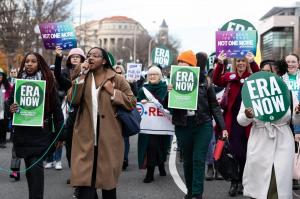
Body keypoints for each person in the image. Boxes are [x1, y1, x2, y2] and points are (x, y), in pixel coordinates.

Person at [67, 47, 136, 199]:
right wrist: (80, 77)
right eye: (89, 55)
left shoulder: (116, 78)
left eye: (95, 55)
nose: (91, 58)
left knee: (108, 187)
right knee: (85, 188)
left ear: (104, 61)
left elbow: (132, 102)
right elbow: (72, 100)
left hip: (108, 139)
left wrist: (113, 92)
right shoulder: (82, 76)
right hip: (85, 139)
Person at [168, 50, 227, 199]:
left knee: (198, 159)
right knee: (187, 161)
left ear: (192, 65)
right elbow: (167, 106)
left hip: (202, 124)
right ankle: (189, 191)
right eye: (179, 62)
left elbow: (214, 106)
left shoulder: (205, 82)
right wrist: (169, 92)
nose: (181, 65)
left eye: (185, 62)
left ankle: (197, 194)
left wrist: (223, 127)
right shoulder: (174, 80)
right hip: (183, 125)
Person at [9, 52, 64, 199]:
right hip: (23, 134)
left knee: (36, 169)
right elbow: (10, 106)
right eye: (27, 61)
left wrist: (61, 135)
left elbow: (57, 111)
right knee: (30, 170)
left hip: (41, 135)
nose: (29, 64)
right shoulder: (18, 83)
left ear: (39, 64)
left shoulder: (48, 84)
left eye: (33, 61)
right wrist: (11, 108)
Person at [212, 51, 259, 197]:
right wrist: (220, 64)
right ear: (235, 63)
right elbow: (216, 80)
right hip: (232, 122)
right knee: (234, 152)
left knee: (247, 153)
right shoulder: (230, 77)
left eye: (243, 61)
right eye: (238, 61)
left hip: (249, 122)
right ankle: (235, 181)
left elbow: (260, 78)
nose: (240, 63)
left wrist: (253, 62)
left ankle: (245, 182)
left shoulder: (252, 78)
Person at [237, 96, 300, 198]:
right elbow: (241, 120)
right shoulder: (252, 91)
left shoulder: (286, 92)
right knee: (259, 185)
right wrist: (247, 115)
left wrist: (297, 113)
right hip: (259, 143)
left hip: (283, 142)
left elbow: (295, 120)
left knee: (278, 182)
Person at [137, 66, 170, 183]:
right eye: (150, 74)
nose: (152, 76)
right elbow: (137, 105)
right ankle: (149, 173)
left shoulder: (166, 88)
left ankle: (161, 164)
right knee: (150, 147)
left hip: (162, 125)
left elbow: (168, 105)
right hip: (148, 125)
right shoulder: (143, 89)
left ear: (160, 76)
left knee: (161, 147)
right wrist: (141, 102)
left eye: (155, 74)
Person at [114, 64, 138, 170]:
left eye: (119, 73)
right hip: (112, 116)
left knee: (125, 138)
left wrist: (134, 83)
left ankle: (124, 159)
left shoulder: (127, 83)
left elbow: (134, 97)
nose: (117, 75)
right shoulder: (108, 83)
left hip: (124, 115)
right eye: (115, 73)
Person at [0, 68, 12, 148]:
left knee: (3, 126)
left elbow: (11, 93)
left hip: (4, 109)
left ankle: (3, 141)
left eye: (0, 75)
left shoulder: (7, 85)